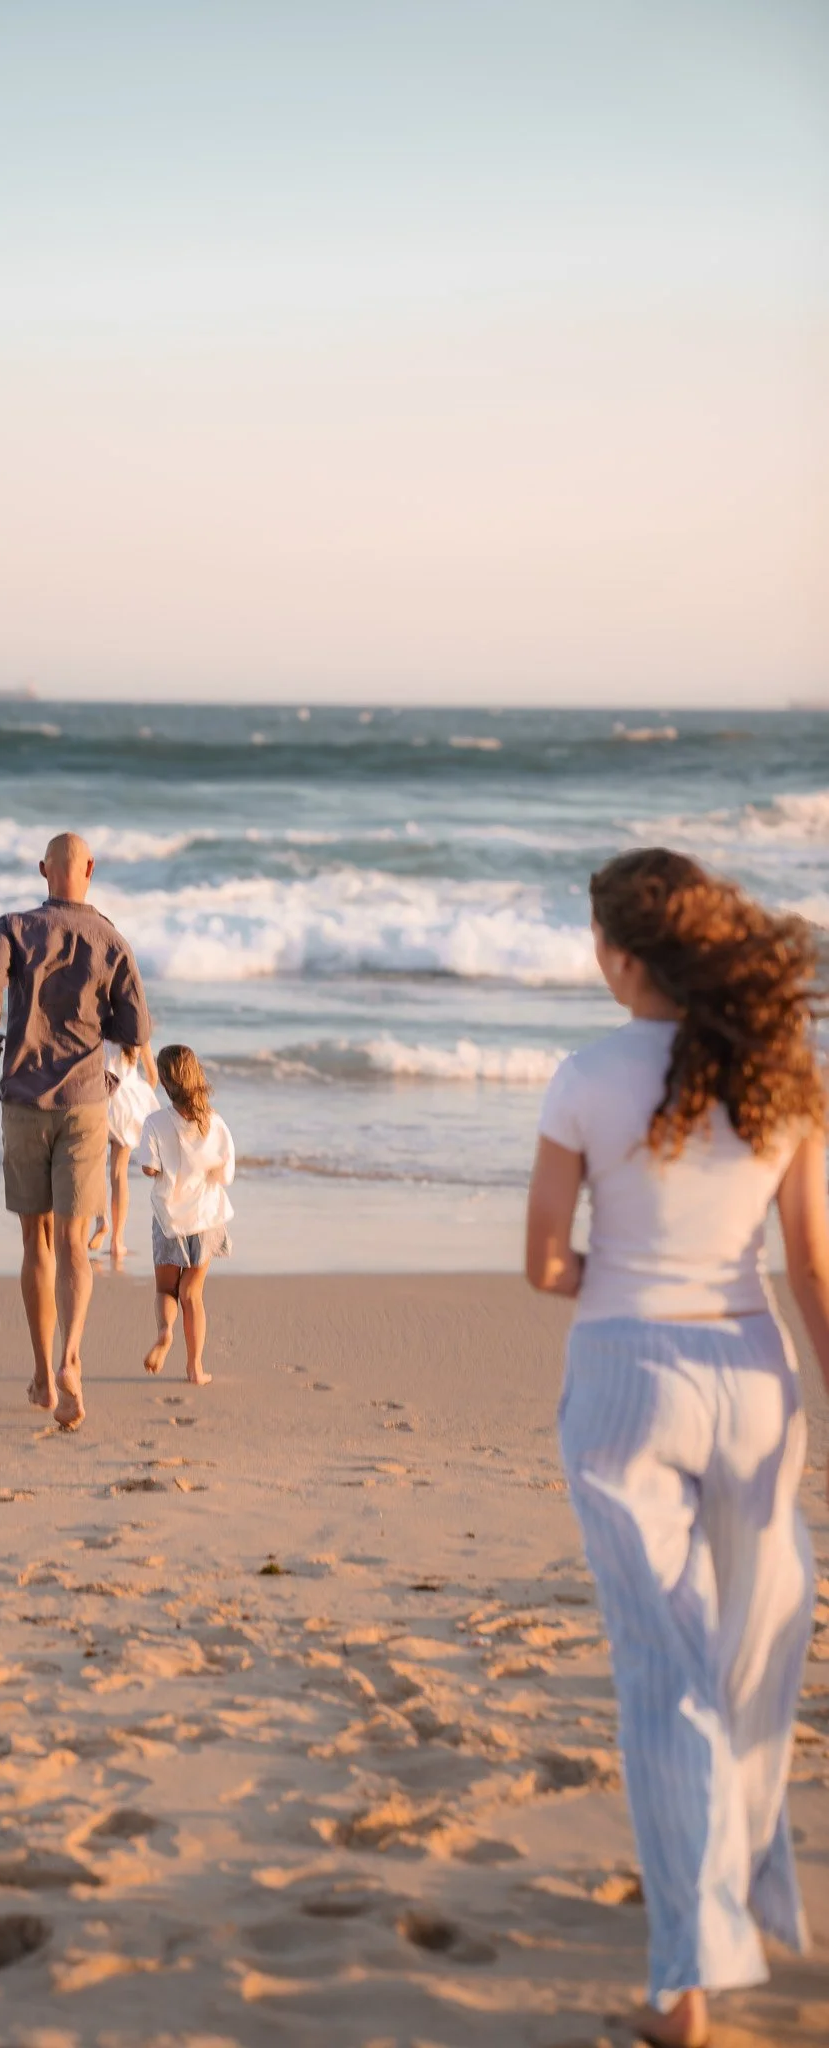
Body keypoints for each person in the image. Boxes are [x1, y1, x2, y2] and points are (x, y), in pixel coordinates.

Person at [525, 847, 828, 2048]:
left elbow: (545, 1262)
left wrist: (632, 1284)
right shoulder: (785, 1074)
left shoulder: (585, 1076)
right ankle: (734, 1893)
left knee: (665, 1676)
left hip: (623, 1379)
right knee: (753, 1658)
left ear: (622, 955)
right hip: (755, 1377)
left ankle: (682, 1989)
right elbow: (809, 1267)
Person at [0, 830, 151, 1431]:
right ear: (90, 870)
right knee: (78, 1244)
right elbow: (136, 1027)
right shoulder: (110, 940)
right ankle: (74, 1355)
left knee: (36, 1241)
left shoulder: (14, 927)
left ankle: (44, 1374)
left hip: (24, 1099)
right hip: (83, 1103)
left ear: (43, 870)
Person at [137, 1044, 235, 1385]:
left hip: (169, 1221)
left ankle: (165, 1333)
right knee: (192, 1294)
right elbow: (225, 1174)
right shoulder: (215, 1124)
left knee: (166, 1291)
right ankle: (195, 1369)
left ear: (163, 1080)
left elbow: (148, 1168)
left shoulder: (154, 1122)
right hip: (205, 1219)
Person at [89, 1040, 161, 1261]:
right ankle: (118, 1241)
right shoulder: (137, 1033)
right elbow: (153, 1076)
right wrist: (139, 1093)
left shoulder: (99, 1026)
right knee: (119, 1174)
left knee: (94, 1166)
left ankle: (101, 1220)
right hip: (128, 1102)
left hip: (102, 1095)